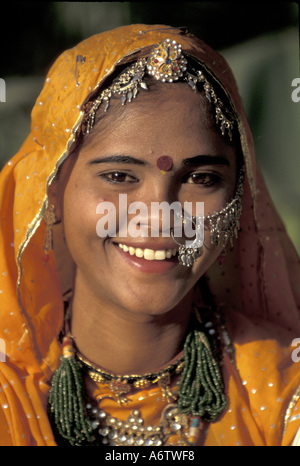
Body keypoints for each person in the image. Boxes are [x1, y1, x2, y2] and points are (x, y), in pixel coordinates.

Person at [0, 23, 299, 447]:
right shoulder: (12, 390)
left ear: (238, 197)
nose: (160, 216)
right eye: (119, 176)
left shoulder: (284, 388)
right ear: (51, 189)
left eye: (201, 178)